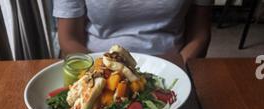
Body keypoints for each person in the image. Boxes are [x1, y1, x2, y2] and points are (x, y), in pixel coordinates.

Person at [54, 0, 213, 63]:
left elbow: (200, 34)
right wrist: (104, 70)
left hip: (171, 66)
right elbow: (69, 38)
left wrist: (180, 66)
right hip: (97, 65)